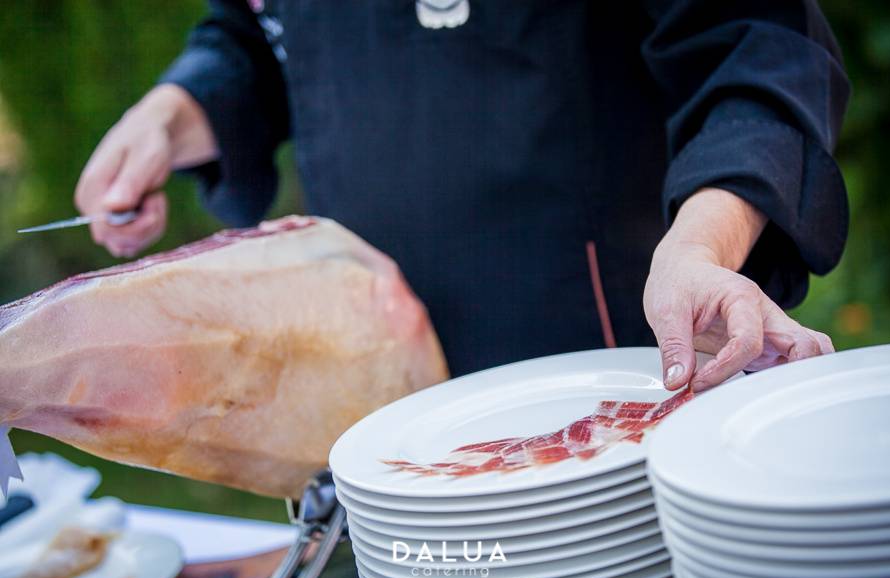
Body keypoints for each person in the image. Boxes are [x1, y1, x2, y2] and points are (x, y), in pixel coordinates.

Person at [75, 1, 849, 391]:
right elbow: (253, 35)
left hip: (622, 358)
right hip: (373, 379)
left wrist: (700, 247)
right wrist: (174, 112)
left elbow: (758, 48)